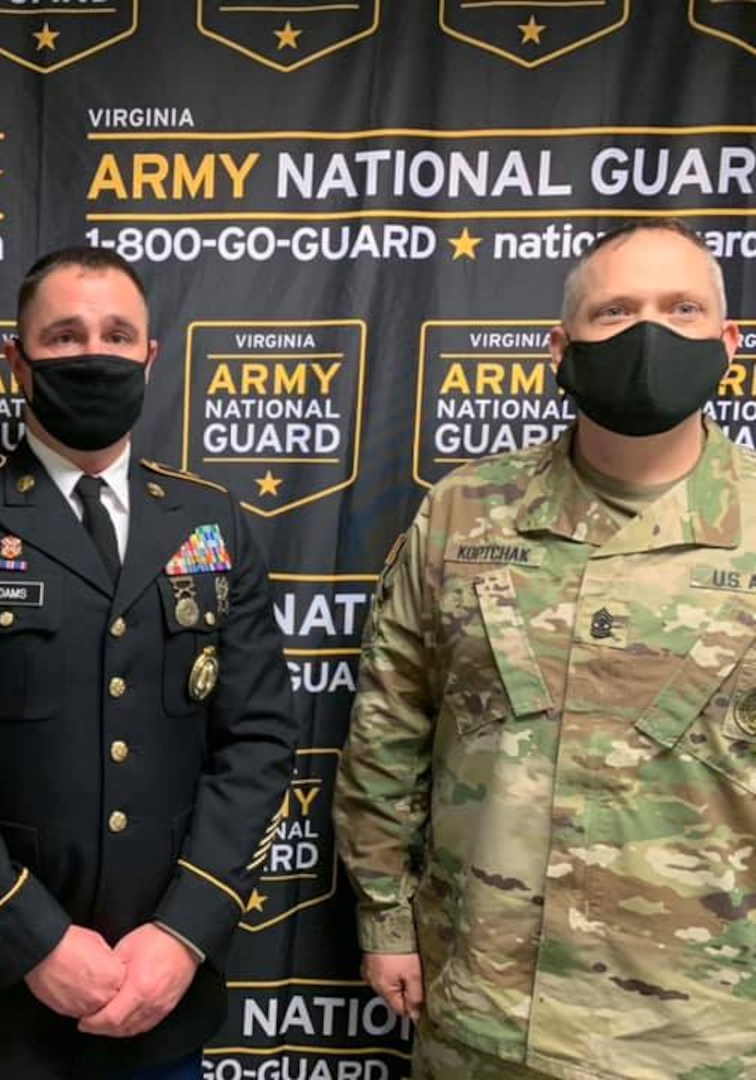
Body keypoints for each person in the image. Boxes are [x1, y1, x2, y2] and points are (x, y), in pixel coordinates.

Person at [0, 246, 297, 1080]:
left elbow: (261, 741)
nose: (93, 353)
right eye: (63, 336)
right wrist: (32, 938)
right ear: (15, 360)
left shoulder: (212, 522)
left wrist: (184, 933)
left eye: (116, 334)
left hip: (161, 995)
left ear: (149, 356)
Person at [333, 219, 749, 1080]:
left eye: (682, 310)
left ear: (729, 343)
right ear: (560, 348)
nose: (648, 335)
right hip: (485, 1013)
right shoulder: (464, 511)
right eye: (614, 313)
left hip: (705, 1030)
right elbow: (389, 731)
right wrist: (385, 922)